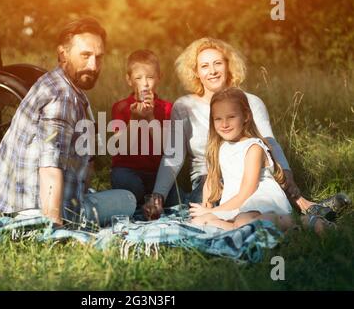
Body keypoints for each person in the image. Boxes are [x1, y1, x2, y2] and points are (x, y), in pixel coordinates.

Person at [143, 37, 341, 220]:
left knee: (265, 178)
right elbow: (174, 155)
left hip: (252, 172)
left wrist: (286, 171)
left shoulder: (251, 102)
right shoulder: (184, 106)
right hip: (209, 179)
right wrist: (158, 194)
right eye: (204, 66)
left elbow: (269, 143)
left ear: (228, 66)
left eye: (217, 63)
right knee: (223, 199)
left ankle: (305, 208)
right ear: (196, 72)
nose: (212, 71)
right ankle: (302, 213)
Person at [0, 17, 136, 227]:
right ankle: (55, 220)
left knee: (102, 195)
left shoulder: (57, 83)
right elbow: (50, 165)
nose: (93, 66)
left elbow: (84, 159)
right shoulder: (62, 97)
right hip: (39, 208)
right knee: (128, 199)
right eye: (85, 55)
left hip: (17, 202)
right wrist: (54, 226)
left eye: (99, 57)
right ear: (63, 54)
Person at [188, 87, 334, 234]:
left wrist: (217, 212)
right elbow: (211, 179)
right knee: (198, 221)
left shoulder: (253, 148)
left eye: (231, 117)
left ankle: (302, 222)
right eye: (218, 118)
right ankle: (261, 229)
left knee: (243, 221)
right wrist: (206, 207)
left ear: (246, 116)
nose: (224, 124)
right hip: (236, 205)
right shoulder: (220, 147)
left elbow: (247, 191)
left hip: (258, 200)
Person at [110, 50, 177, 207]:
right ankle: (140, 203)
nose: (145, 84)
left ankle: (148, 203)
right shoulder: (121, 107)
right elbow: (122, 147)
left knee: (174, 197)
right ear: (129, 80)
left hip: (156, 173)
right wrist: (134, 119)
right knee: (129, 185)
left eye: (150, 77)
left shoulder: (168, 108)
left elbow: (165, 148)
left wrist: (151, 117)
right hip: (128, 170)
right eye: (138, 78)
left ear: (159, 77)